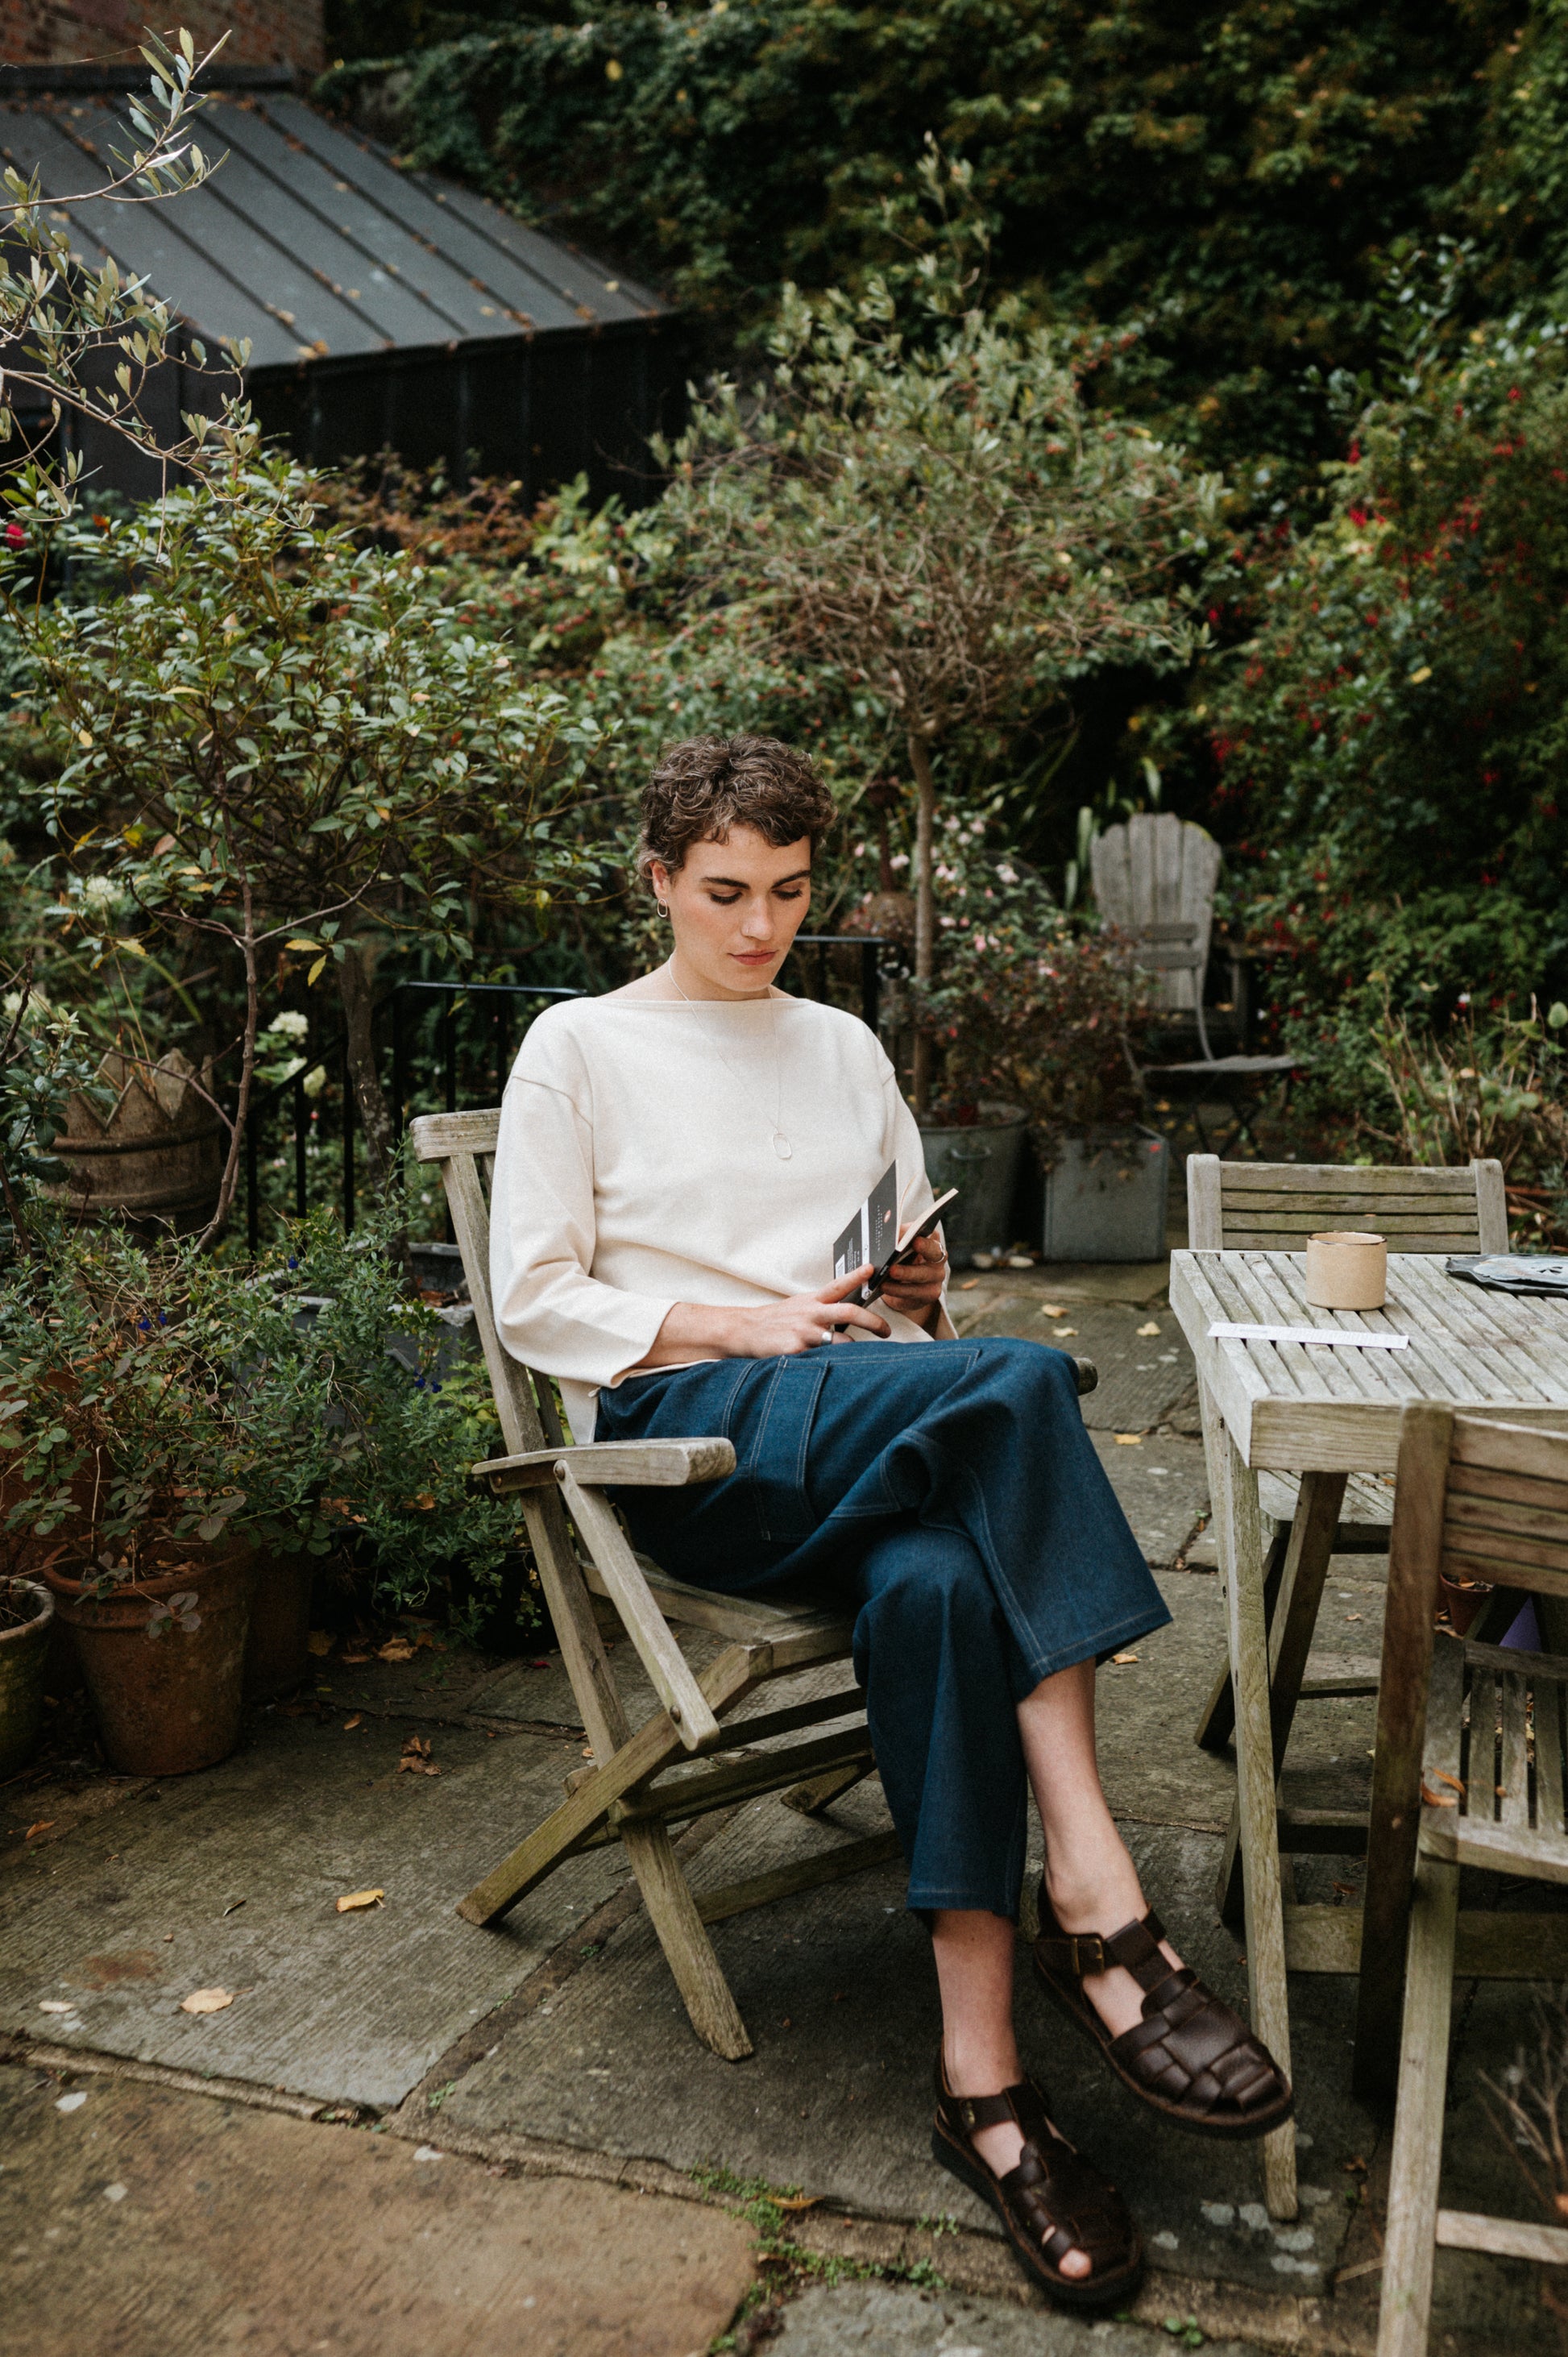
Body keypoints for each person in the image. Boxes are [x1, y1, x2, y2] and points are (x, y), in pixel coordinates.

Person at [491, 735, 1290, 2309]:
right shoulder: (577, 1048)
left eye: (785, 891)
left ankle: (985, 2095)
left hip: (874, 1423)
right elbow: (534, 1298)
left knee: (935, 1585)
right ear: (658, 879)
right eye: (723, 891)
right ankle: (1097, 1891)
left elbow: (914, 1271)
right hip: (699, 1442)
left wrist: (914, 1294)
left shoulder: (843, 1045)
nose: (757, 925)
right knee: (1019, 1389)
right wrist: (741, 1324)